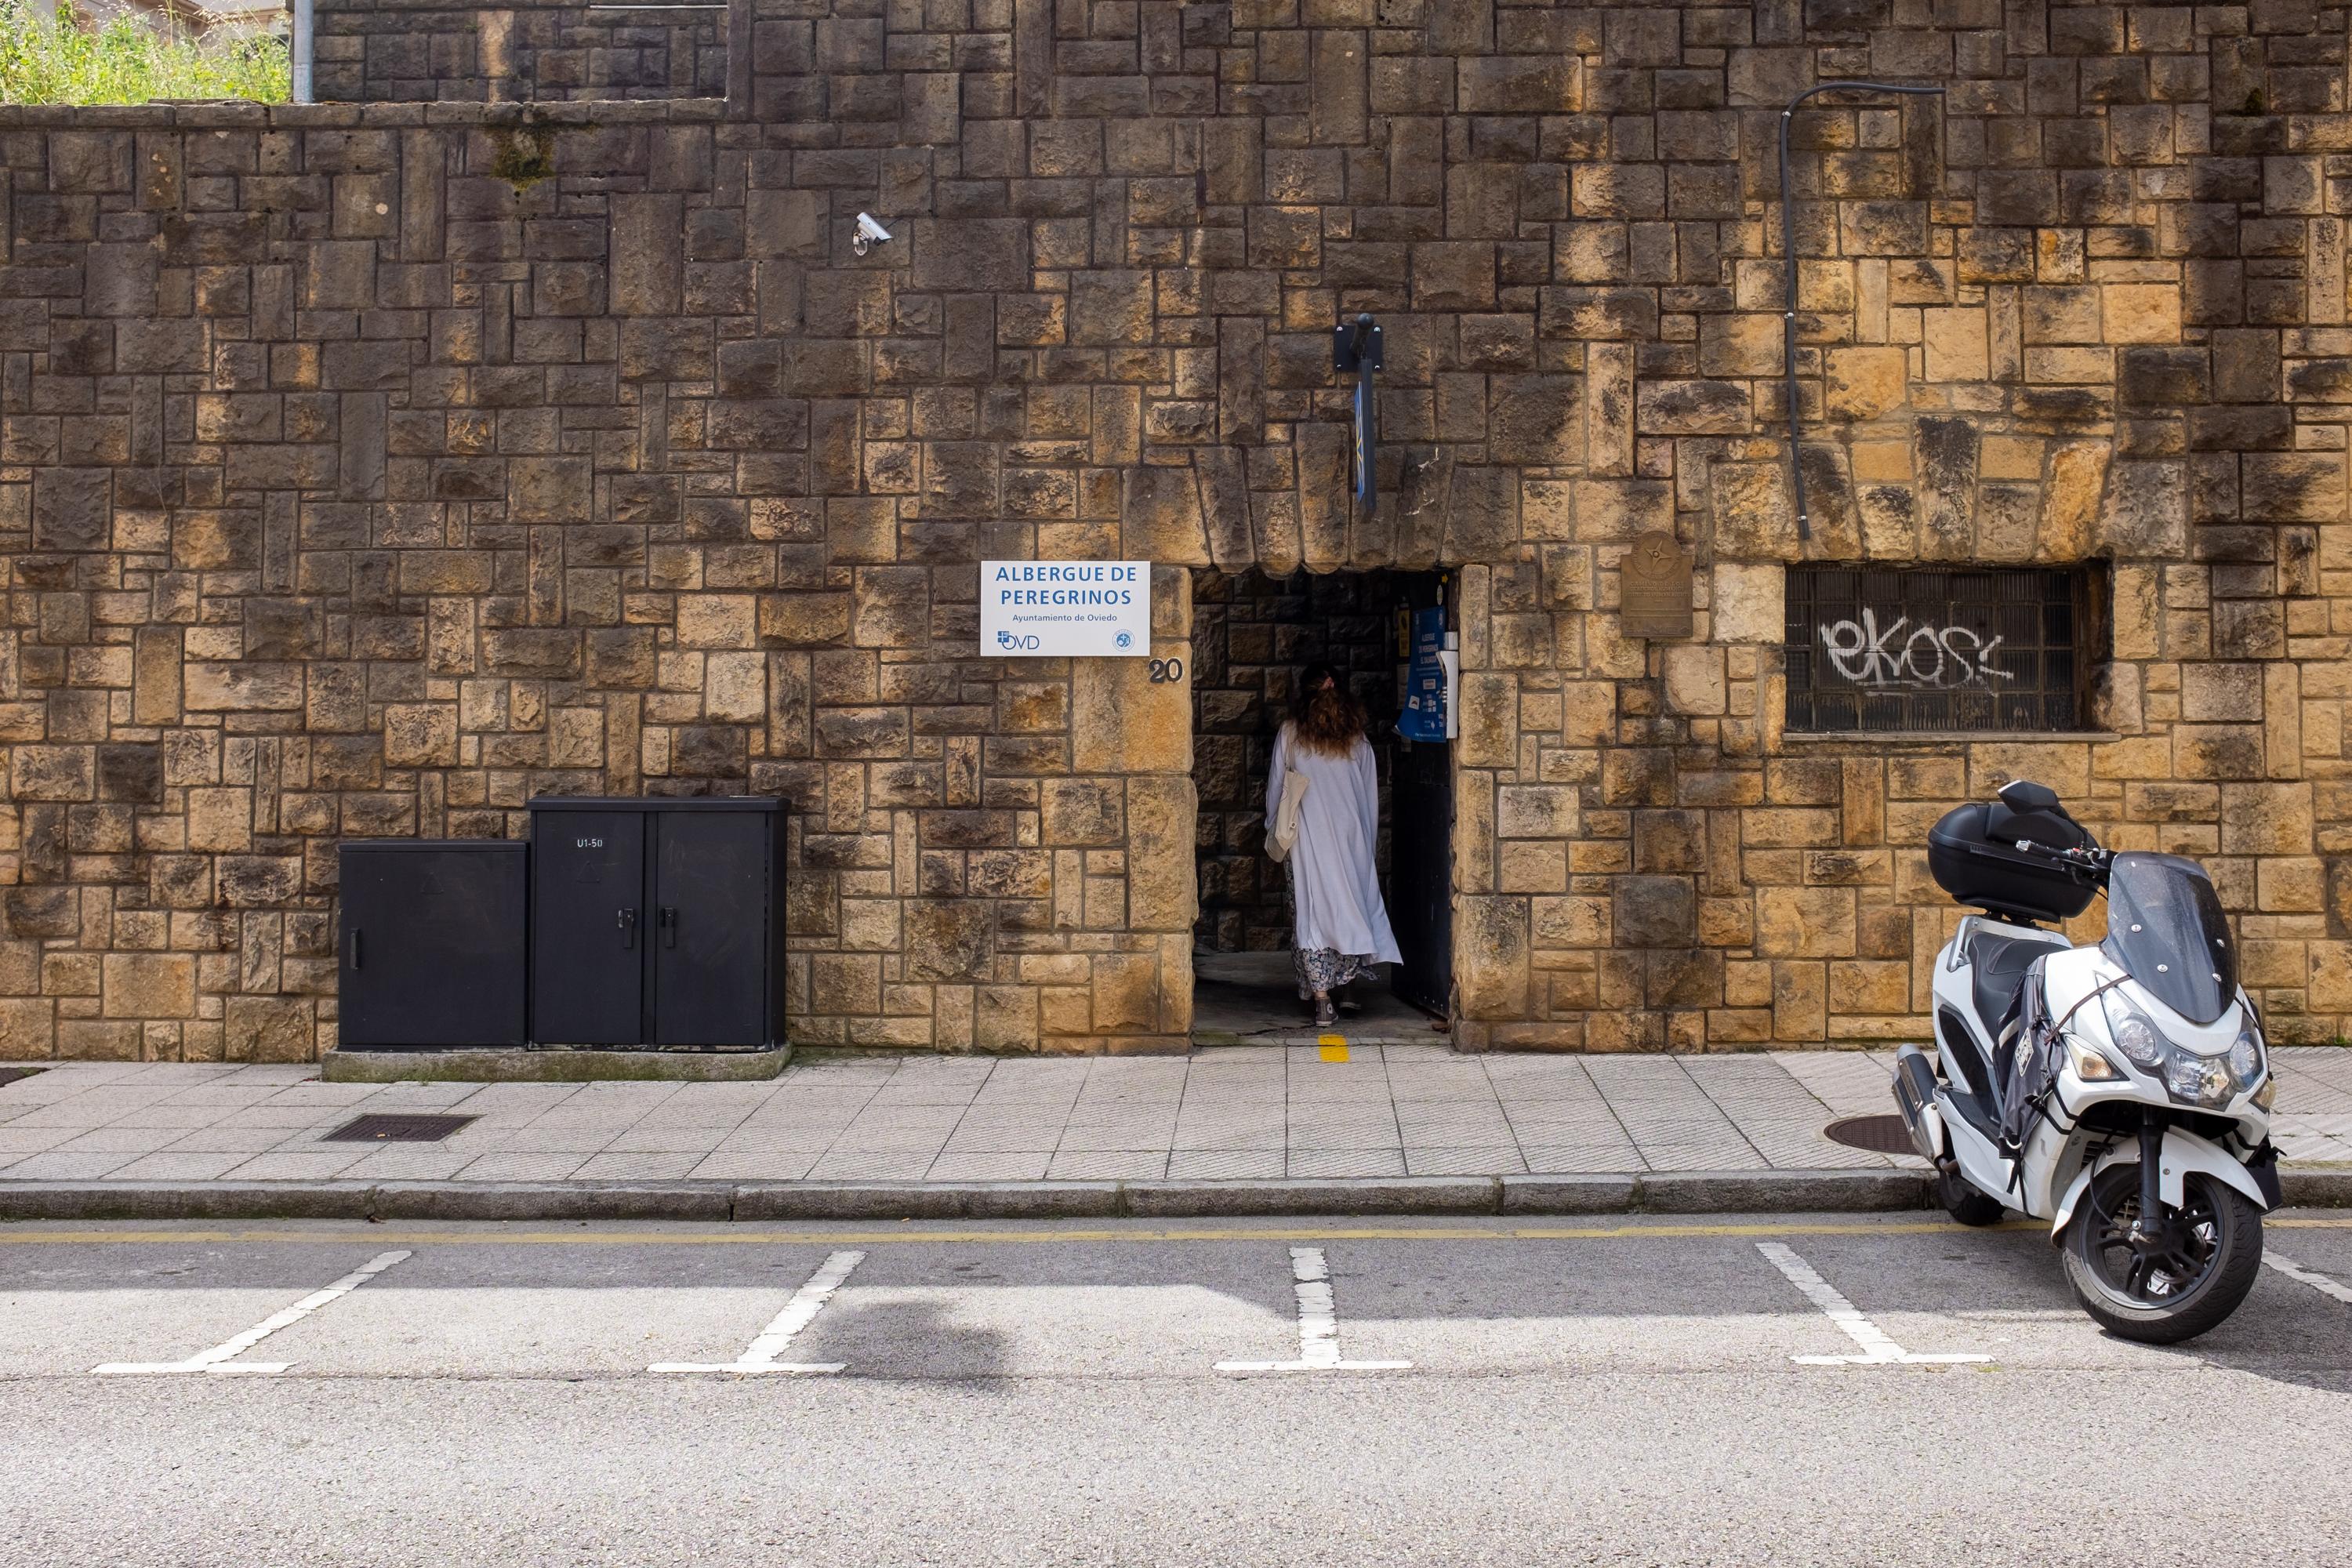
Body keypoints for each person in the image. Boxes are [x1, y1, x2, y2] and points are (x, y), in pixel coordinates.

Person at [1265, 663, 1403, 1029]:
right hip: (1350, 835)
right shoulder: (1356, 738)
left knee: (1313, 913)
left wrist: (1273, 829)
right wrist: (1367, 840)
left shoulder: (1291, 734)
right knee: (1352, 906)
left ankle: (1323, 1000)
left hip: (1308, 840)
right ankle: (1350, 988)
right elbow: (1368, 793)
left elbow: (1278, 788)